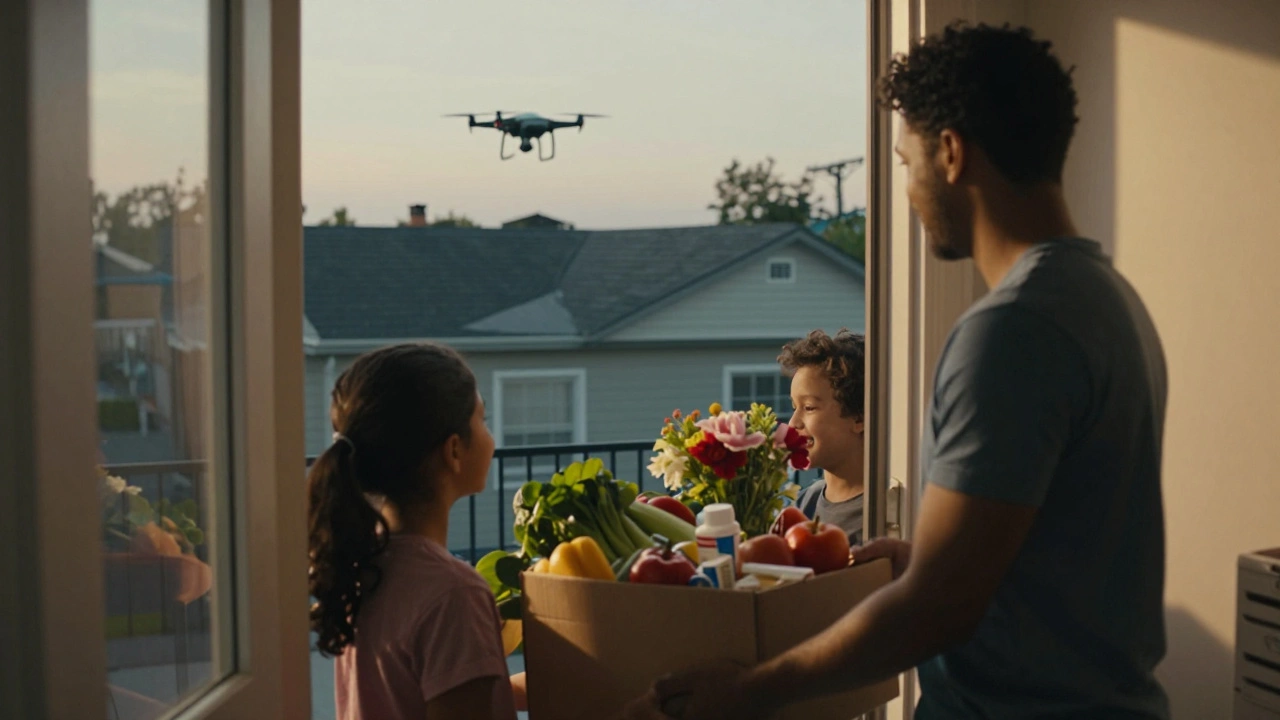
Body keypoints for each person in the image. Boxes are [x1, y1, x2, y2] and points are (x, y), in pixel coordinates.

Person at [626, 21, 1170, 720]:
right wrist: (925, 557)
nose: (907, 190)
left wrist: (747, 690)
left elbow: (938, 608)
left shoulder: (1014, 330)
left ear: (951, 153)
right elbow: (1051, 546)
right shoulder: (1107, 298)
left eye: (906, 161)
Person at [307, 343, 523, 719]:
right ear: (453, 450)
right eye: (483, 420)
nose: (491, 437)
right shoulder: (454, 594)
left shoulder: (364, 563)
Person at [780, 329, 868, 545]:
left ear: (859, 417)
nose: (792, 423)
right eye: (794, 407)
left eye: (809, 407)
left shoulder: (883, 514)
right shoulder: (804, 505)